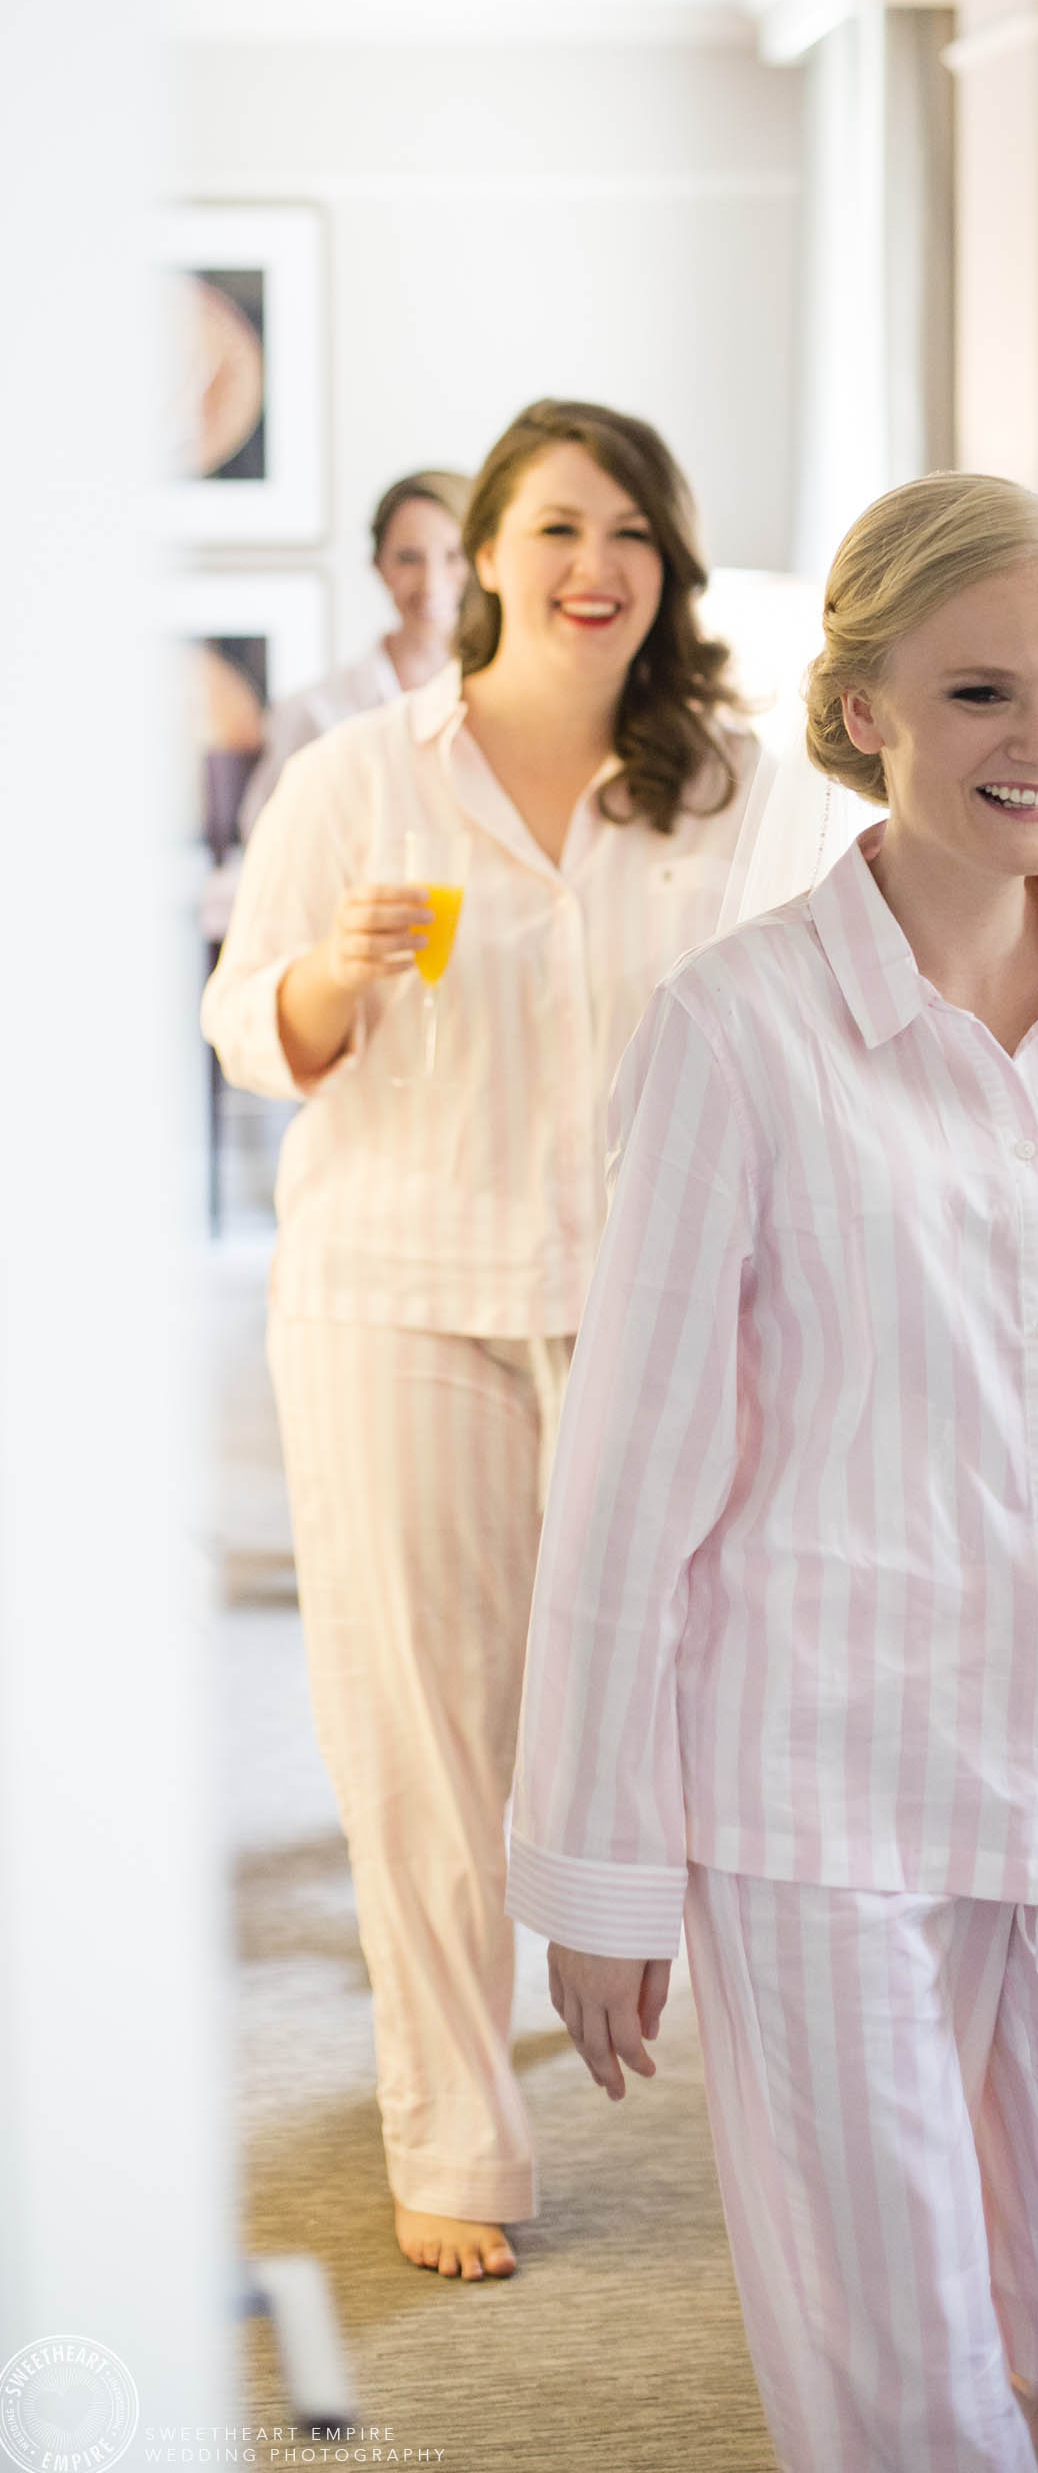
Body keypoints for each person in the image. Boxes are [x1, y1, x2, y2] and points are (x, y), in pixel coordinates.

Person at [504, 472, 1038, 2467]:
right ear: (867, 704)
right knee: (900, 2393)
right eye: (983, 693)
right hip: (829, 1797)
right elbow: (628, 1483)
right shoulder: (738, 1032)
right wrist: (602, 1872)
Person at [204, 396, 771, 2283]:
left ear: (668, 571)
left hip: (649, 1315)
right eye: (555, 529)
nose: (593, 566)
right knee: (425, 1733)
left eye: (630, 532)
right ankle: (454, 2128)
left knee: (677, 1704)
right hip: (396, 1300)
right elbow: (240, 1026)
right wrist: (333, 975)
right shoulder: (364, 777)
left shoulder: (726, 789)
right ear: (488, 560)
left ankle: (726, 2041)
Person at [237, 470, 471, 839]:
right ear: (379, 566)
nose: (432, 582)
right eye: (409, 558)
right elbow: (267, 841)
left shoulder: (516, 706)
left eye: (455, 556)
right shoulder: (315, 712)